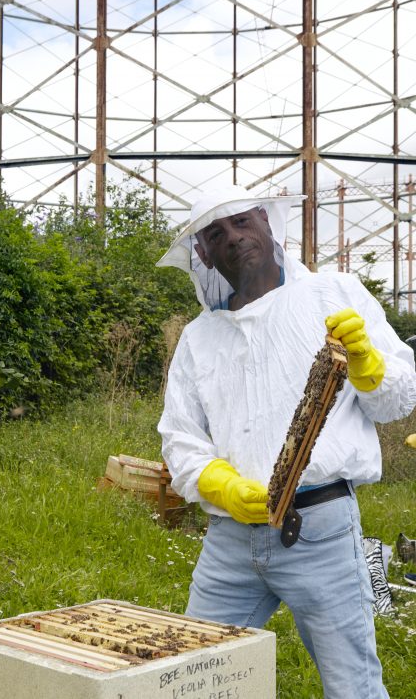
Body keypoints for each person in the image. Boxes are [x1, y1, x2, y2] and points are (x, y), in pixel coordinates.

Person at [157, 184, 416, 699]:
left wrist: (368, 365)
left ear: (267, 223)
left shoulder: (335, 294)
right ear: (203, 253)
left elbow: (396, 402)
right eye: (216, 233)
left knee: (353, 688)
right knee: (192, 680)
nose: (233, 238)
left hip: (318, 529)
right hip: (229, 540)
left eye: (242, 222)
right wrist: (219, 482)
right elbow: (180, 439)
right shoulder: (198, 338)